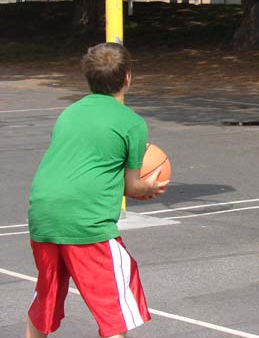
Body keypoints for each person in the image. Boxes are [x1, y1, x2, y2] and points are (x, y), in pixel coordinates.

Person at [26, 42, 169, 338]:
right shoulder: (131, 123)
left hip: (43, 213)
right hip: (86, 221)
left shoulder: (69, 113)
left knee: (46, 299)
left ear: (88, 78)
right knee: (114, 310)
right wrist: (149, 187)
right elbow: (133, 186)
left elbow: (76, 168)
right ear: (127, 77)